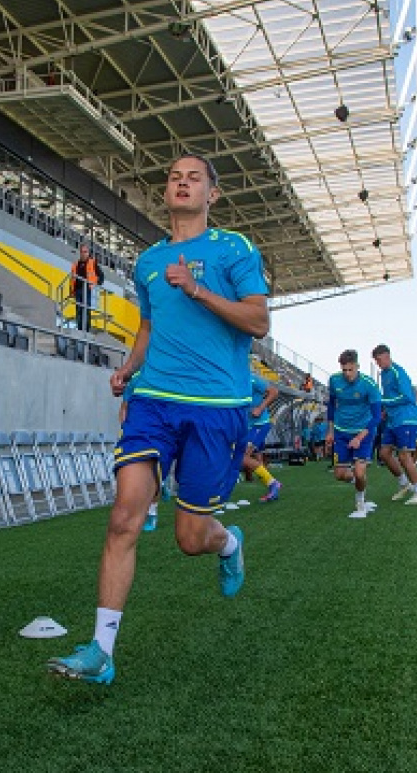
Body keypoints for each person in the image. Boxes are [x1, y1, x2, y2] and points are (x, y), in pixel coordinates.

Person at [47, 154, 269, 685]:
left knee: (190, 538)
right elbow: (147, 328)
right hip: (153, 401)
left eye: (194, 177)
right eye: (174, 177)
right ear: (165, 193)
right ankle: (102, 651)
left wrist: (197, 289)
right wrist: (128, 369)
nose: (183, 183)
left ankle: (229, 543)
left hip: (217, 408)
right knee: (125, 515)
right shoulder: (148, 261)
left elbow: (257, 320)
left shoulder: (232, 249)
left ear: (212, 194)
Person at [325, 350, 382, 518]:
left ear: (357, 366)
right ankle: (359, 483)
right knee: (340, 475)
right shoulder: (334, 381)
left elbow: (377, 417)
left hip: (363, 432)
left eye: (350, 369)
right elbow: (331, 406)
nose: (347, 374)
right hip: (341, 432)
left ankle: (361, 503)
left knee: (359, 472)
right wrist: (330, 431)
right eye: (344, 370)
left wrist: (359, 437)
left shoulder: (369, 385)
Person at [371, 344, 417, 506]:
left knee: (404, 456)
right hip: (392, 420)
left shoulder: (398, 372)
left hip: (405, 419)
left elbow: (407, 397)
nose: (378, 363)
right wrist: (385, 409)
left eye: (379, 359)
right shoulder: (383, 374)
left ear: (387, 356)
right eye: (376, 360)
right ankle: (405, 484)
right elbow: (390, 397)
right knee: (384, 453)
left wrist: (383, 401)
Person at [118, 371, 158, 532]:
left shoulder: (167, 375)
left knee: (156, 471)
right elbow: (124, 406)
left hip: (161, 432)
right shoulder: (136, 380)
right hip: (139, 433)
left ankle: (152, 512)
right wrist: (125, 427)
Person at [245, 372, 282, 502]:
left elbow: (274, 391)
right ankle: (271, 483)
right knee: (238, 458)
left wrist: (260, 408)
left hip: (259, 425)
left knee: (242, 457)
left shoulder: (252, 379)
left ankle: (273, 483)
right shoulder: (232, 379)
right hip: (246, 427)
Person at [70, 243, 104, 333]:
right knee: (78, 310)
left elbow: (101, 276)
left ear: (88, 253)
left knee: (86, 309)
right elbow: (72, 279)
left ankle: (86, 329)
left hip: (87, 289)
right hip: (77, 290)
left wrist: (95, 284)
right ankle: (80, 328)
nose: (83, 254)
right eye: (82, 252)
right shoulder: (75, 264)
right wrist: (71, 291)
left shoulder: (92, 263)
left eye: (85, 252)